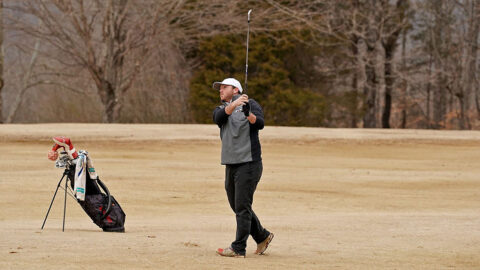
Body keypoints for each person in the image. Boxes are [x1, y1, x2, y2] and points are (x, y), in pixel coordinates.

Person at [212, 78, 274, 258]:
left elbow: (259, 123)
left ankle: (238, 248)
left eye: (224, 87)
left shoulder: (251, 103)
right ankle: (262, 235)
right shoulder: (220, 109)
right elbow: (219, 117)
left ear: (236, 89)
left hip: (250, 163)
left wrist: (248, 114)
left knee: (242, 206)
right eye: (220, 88)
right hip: (231, 164)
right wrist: (234, 104)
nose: (221, 90)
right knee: (237, 205)